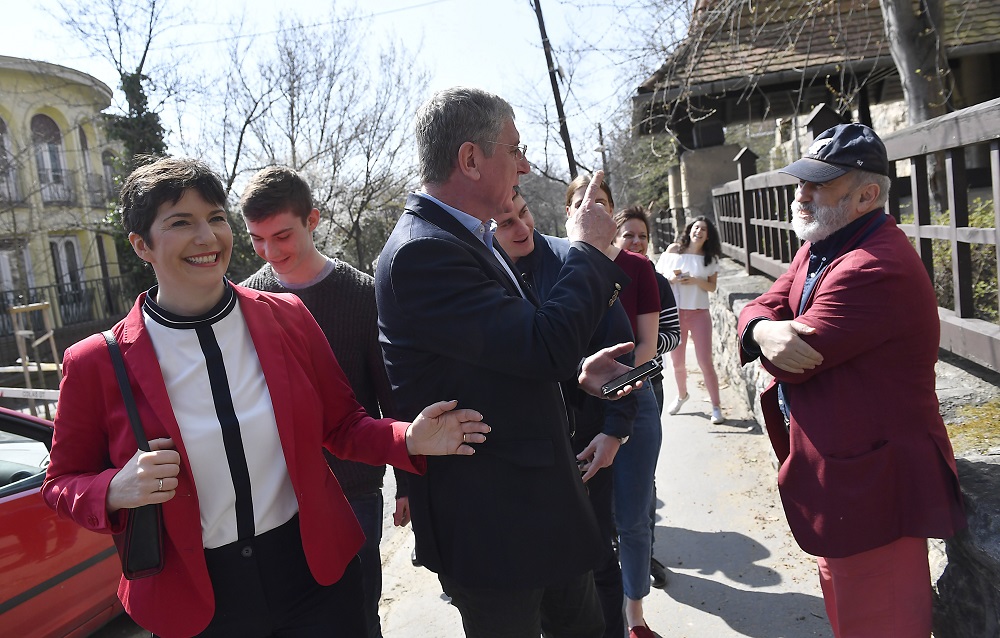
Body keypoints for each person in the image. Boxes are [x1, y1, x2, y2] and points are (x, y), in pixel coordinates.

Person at [41, 156, 490, 638]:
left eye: (215, 218)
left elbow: (341, 425)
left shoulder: (286, 316)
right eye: (181, 223)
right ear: (140, 245)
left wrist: (409, 438)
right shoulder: (94, 362)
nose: (207, 237)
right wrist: (113, 489)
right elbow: (61, 481)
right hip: (200, 600)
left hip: (313, 577)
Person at [375, 86, 637, 638]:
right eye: (513, 149)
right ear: (470, 159)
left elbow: (506, 357)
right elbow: (541, 345)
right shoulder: (424, 251)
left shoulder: (463, 237)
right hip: (495, 527)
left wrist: (575, 377)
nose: (523, 165)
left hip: (537, 511)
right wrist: (588, 251)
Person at [737, 123, 966, 637]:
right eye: (802, 182)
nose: (801, 195)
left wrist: (765, 335)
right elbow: (768, 303)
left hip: (872, 493)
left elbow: (798, 355)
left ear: (866, 195)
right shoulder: (827, 242)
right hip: (844, 488)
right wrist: (761, 328)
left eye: (817, 184)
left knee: (879, 624)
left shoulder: (872, 265)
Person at [238, 165, 405, 638]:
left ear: (313, 219)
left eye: (283, 235)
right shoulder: (245, 299)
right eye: (257, 239)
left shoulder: (362, 293)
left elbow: (386, 392)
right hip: (278, 491)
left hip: (354, 487)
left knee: (358, 611)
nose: (271, 252)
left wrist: (408, 483)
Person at [494, 186, 636, 638]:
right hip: (526, 457)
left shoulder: (570, 260)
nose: (523, 228)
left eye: (524, 211)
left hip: (588, 441)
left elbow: (621, 352)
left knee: (598, 554)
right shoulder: (481, 280)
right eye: (505, 222)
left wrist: (615, 431)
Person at [564, 175, 663, 638]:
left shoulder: (638, 269)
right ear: (571, 216)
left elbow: (646, 344)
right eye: (585, 205)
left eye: (602, 203)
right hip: (583, 414)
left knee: (634, 518)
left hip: (633, 401)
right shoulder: (561, 267)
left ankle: (635, 616)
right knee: (595, 526)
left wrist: (619, 391)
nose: (595, 211)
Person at [613, 204, 682, 591]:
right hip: (604, 392)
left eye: (642, 235)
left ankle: (645, 553)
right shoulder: (600, 276)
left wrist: (644, 346)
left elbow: (672, 334)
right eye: (629, 235)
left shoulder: (656, 279)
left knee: (643, 480)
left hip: (646, 389)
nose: (637, 241)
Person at [656, 215, 725, 424]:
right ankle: (682, 395)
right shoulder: (673, 251)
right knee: (677, 364)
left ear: (708, 235)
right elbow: (658, 277)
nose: (699, 231)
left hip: (699, 313)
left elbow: (712, 287)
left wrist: (695, 280)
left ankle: (716, 407)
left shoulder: (710, 258)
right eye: (696, 227)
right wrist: (672, 279)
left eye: (703, 229)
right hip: (676, 314)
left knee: (706, 362)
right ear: (689, 230)